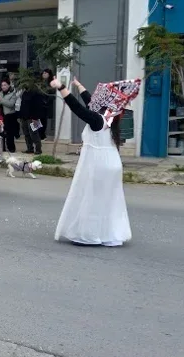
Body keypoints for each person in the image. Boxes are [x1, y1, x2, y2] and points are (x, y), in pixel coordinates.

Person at [52, 76, 140, 247]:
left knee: (92, 199)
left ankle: (88, 235)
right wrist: (79, 85)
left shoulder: (98, 120)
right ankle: (110, 235)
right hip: (112, 163)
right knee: (110, 201)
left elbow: (78, 108)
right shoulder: (111, 119)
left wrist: (61, 87)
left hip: (99, 164)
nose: (96, 100)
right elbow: (89, 102)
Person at [0, 79, 18, 153]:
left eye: (5, 85)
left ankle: (11, 148)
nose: (3, 87)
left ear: (9, 85)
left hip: (10, 115)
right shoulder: (1, 93)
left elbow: (11, 104)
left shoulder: (13, 93)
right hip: (2, 115)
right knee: (2, 132)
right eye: (2, 85)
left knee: (10, 133)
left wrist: (1, 100)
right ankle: (3, 148)